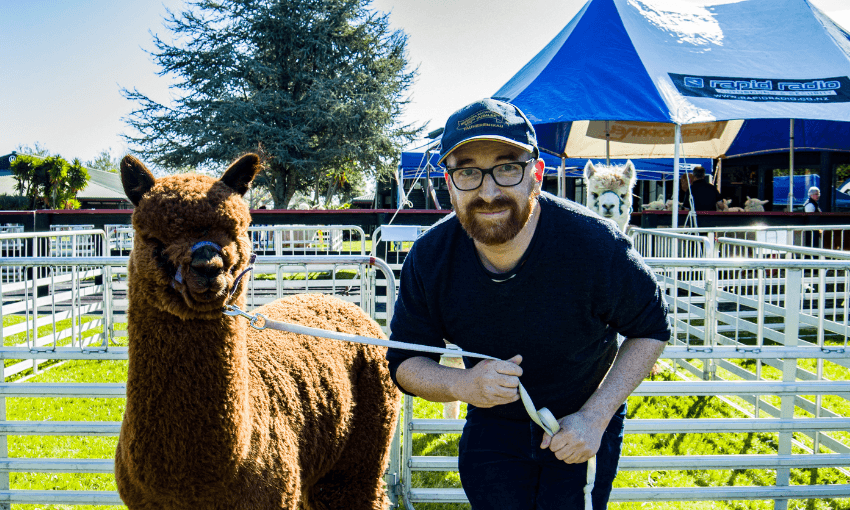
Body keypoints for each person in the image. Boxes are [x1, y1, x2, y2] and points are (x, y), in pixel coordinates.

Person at [385, 98, 671, 509]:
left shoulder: (595, 246)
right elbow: (405, 361)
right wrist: (462, 384)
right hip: (491, 427)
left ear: (535, 175)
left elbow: (651, 329)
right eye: (468, 171)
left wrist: (596, 416)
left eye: (506, 168)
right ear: (449, 183)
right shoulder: (431, 257)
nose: (488, 191)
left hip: (579, 426)